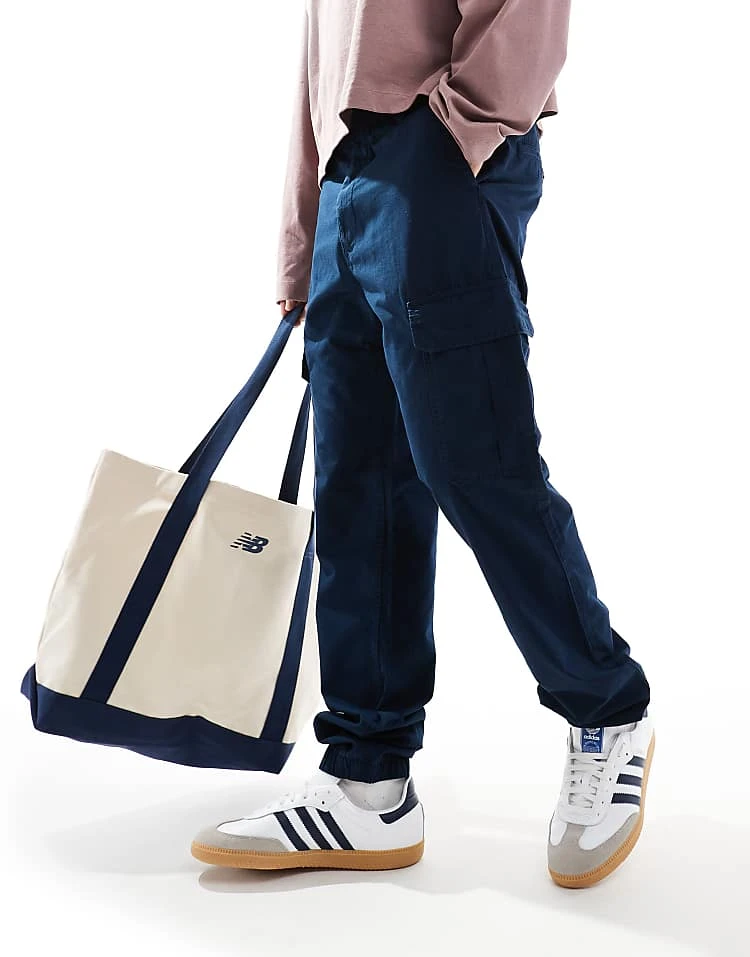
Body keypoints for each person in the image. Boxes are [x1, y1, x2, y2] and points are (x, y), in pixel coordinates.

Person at [192, 0, 654, 888]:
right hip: (349, 169)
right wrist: (303, 231)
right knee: (358, 480)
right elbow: (321, 54)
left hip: (435, 154)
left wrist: (456, 131)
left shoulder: (446, 141)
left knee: (474, 462)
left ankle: (608, 708)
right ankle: (368, 780)